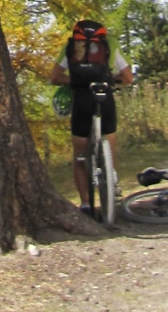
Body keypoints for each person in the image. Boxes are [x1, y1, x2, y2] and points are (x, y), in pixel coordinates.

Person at [50, 19, 134, 214]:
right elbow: (128, 77)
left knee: (80, 156)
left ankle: (86, 204)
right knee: (110, 146)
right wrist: (112, 81)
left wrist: (74, 81)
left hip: (81, 100)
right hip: (104, 99)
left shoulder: (71, 47)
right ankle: (110, 179)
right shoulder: (110, 44)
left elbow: (55, 77)